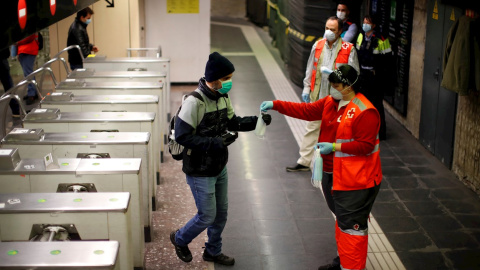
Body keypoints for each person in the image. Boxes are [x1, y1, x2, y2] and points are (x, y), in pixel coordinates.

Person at [260, 64, 382, 270]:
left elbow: (366, 145)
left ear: (348, 86)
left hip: (356, 181)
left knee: (352, 228)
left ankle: (351, 267)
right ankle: (342, 261)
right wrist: (276, 104)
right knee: (342, 222)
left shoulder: (365, 111)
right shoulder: (330, 102)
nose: (331, 89)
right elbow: (306, 110)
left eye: (335, 85)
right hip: (332, 174)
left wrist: (334, 146)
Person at [170, 52, 272, 266]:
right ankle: (179, 239)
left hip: (218, 166)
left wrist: (257, 121)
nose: (229, 82)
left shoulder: (222, 97)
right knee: (207, 216)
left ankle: (213, 251)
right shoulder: (194, 102)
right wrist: (215, 143)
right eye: (226, 78)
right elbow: (182, 135)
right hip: (199, 170)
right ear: (214, 79)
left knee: (220, 214)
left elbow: (232, 122)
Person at [286, 16, 359, 172]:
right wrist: (306, 88)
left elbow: (354, 75)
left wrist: (336, 75)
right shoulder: (318, 45)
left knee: (338, 132)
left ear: (340, 31)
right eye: (327, 28)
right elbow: (310, 68)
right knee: (312, 128)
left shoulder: (348, 49)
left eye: (332, 30)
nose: (329, 32)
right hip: (318, 96)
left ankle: (339, 164)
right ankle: (304, 161)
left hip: (338, 99)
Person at [356, 14, 392, 140]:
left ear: (374, 25)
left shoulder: (381, 39)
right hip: (363, 74)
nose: (365, 24)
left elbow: (387, 61)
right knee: (361, 104)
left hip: (375, 77)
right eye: (364, 22)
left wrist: (381, 77)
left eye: (368, 23)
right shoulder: (361, 35)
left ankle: (380, 133)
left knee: (377, 105)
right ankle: (364, 130)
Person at [16, 34, 39, 105]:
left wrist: (18, 42)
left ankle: (31, 94)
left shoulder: (28, 25)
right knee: (29, 73)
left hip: (28, 50)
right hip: (23, 50)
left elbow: (29, 37)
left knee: (28, 74)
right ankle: (33, 92)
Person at [0, 47, 20, 115]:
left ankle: (16, 110)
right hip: (2, 57)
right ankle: (16, 111)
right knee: (9, 86)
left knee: (9, 86)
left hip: (2, 58)